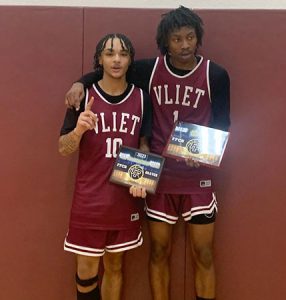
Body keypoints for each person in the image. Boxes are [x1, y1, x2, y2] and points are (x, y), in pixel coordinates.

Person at [65, 6, 230, 300]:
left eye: (190, 37)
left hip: (198, 178)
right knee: (159, 252)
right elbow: (111, 69)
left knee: (204, 254)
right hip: (159, 178)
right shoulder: (149, 69)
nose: (184, 45)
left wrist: (205, 153)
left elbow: (223, 125)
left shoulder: (215, 75)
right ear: (165, 41)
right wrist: (80, 82)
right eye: (177, 39)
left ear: (198, 38)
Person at [59, 33, 152, 300]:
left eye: (123, 53)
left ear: (130, 59)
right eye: (110, 53)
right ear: (99, 59)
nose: (116, 59)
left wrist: (142, 179)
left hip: (123, 200)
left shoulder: (142, 99)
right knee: (86, 273)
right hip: (89, 201)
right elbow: (63, 148)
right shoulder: (83, 96)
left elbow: (144, 145)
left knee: (115, 268)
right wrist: (78, 130)